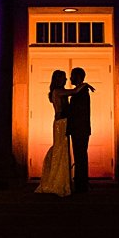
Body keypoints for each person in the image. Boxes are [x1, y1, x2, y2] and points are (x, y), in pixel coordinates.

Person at [34, 69, 93, 197]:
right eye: (64, 78)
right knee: (60, 151)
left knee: (63, 153)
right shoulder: (58, 91)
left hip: (65, 125)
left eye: (68, 77)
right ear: (58, 80)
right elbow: (74, 91)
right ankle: (56, 181)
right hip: (61, 125)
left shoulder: (63, 92)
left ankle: (63, 181)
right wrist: (85, 84)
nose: (67, 79)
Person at [66, 66, 92, 193]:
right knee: (80, 156)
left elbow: (79, 113)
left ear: (78, 77)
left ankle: (81, 185)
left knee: (80, 156)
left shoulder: (81, 92)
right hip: (79, 129)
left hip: (80, 129)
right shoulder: (81, 90)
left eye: (72, 75)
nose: (70, 78)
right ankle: (81, 183)